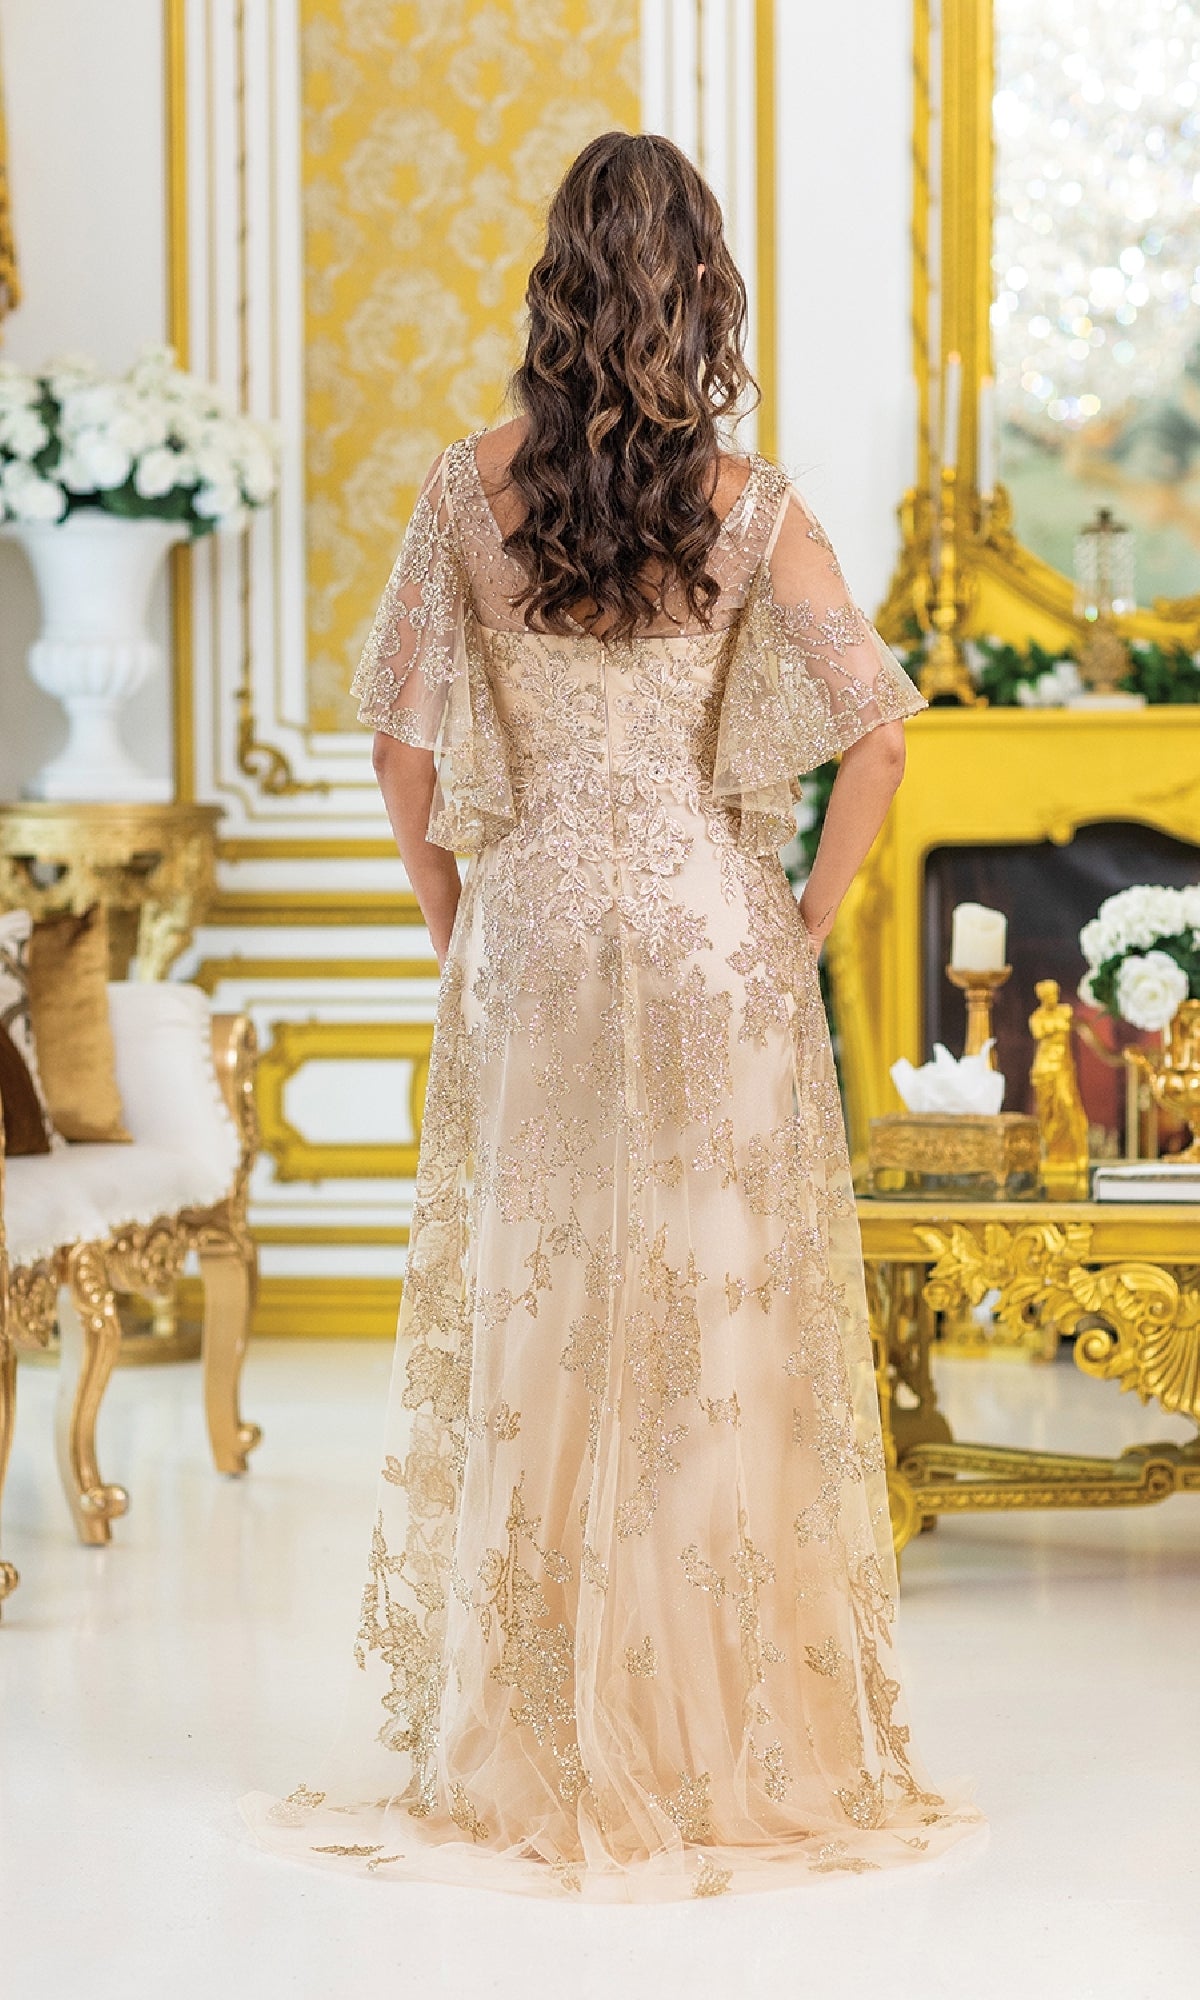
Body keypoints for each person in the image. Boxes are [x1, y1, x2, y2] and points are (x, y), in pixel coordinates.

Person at [242, 130, 983, 1901]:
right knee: (714, 1327)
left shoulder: (465, 489)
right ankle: (720, 1737)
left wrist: (459, 923)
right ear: (704, 289)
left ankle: (543, 1735)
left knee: (550, 1318)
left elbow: (403, 751)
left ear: (557, 283)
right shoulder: (753, 503)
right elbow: (880, 739)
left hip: (536, 935)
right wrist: (804, 917)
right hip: (715, 938)